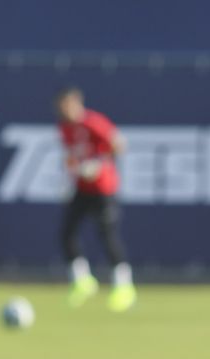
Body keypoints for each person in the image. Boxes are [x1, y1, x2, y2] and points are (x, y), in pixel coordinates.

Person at [55, 87, 135, 311]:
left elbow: (119, 145)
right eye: (62, 106)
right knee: (67, 231)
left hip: (103, 188)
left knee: (107, 234)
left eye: (68, 104)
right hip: (82, 188)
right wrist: (67, 178)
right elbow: (71, 157)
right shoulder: (64, 128)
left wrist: (99, 164)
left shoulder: (93, 122)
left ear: (77, 102)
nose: (65, 110)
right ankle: (82, 281)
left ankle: (124, 287)